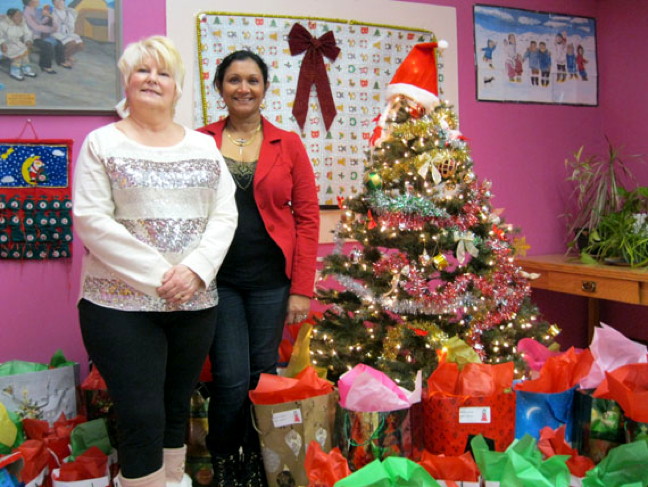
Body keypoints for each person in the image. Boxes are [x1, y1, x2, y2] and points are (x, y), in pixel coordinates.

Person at [73, 35, 238, 487]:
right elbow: (91, 219)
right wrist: (162, 275)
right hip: (118, 307)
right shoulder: (101, 142)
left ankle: (173, 480)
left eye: (163, 72)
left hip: (194, 303)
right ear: (126, 82)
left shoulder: (203, 147)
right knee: (140, 411)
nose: (152, 79)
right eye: (142, 70)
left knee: (174, 405)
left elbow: (225, 214)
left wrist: (196, 271)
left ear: (177, 87)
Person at [197, 50, 320, 487]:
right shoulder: (198, 140)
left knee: (262, 374)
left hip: (272, 281)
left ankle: (259, 456)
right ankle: (227, 460)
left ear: (265, 88)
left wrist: (301, 289)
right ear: (219, 88)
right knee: (229, 379)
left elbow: (307, 218)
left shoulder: (287, 143)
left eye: (252, 80)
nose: (243, 88)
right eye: (234, 80)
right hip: (220, 280)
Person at [22, 0, 66, 73]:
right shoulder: (26, 13)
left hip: (41, 35)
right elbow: (35, 27)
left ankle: (61, 61)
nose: (38, 0)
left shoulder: (37, 10)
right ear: (30, 1)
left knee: (58, 43)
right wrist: (51, 29)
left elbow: (42, 22)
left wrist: (49, 16)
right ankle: (45, 66)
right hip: (32, 37)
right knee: (47, 45)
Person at [0, 8, 38, 80]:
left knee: (25, 54)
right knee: (17, 56)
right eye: (17, 16)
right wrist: (2, 43)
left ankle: (26, 69)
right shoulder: (3, 24)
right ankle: (15, 71)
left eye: (20, 15)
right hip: (6, 44)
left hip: (17, 43)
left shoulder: (22, 23)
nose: (19, 17)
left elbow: (27, 33)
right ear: (10, 17)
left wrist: (28, 40)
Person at [48, 0, 83, 66]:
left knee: (80, 45)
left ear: (64, 2)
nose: (59, 3)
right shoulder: (52, 12)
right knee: (71, 43)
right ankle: (63, 59)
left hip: (67, 32)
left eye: (61, 1)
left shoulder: (69, 12)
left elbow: (72, 23)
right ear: (53, 3)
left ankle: (68, 55)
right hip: (57, 32)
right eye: (56, 2)